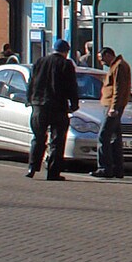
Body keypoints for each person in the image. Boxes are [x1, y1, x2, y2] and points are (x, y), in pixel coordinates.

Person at [27, 38, 80, 181]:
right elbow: (71, 86)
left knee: (38, 137)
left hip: (39, 105)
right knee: (57, 140)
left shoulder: (39, 62)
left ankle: (32, 167)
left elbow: (31, 82)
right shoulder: (66, 64)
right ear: (66, 52)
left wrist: (29, 100)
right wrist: (74, 104)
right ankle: (53, 172)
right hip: (58, 107)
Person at [94, 46, 132, 178]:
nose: (101, 62)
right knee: (115, 138)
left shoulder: (119, 66)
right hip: (112, 105)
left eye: (102, 58)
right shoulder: (117, 65)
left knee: (103, 136)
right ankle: (117, 169)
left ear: (108, 55)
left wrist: (113, 107)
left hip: (112, 106)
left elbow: (118, 88)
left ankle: (104, 168)